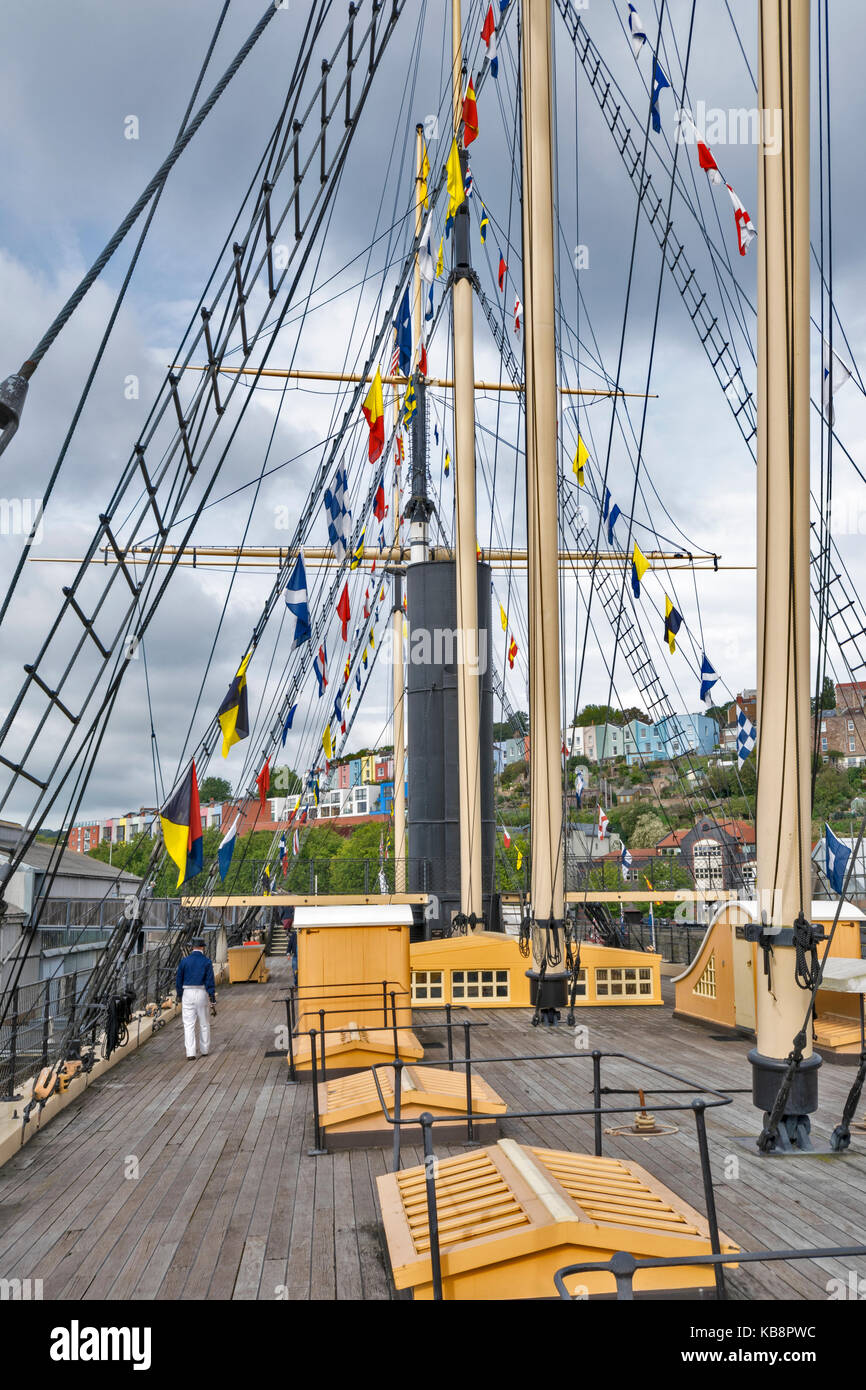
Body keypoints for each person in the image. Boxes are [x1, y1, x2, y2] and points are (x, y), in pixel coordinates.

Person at [176, 937, 216, 1060]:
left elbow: (179, 980)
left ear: (192, 947)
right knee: (204, 1023)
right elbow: (210, 981)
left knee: (188, 1024)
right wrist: (212, 997)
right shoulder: (207, 961)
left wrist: (179, 994)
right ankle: (204, 1050)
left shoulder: (184, 961)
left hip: (187, 992)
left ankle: (190, 1053)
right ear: (202, 947)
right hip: (201, 992)